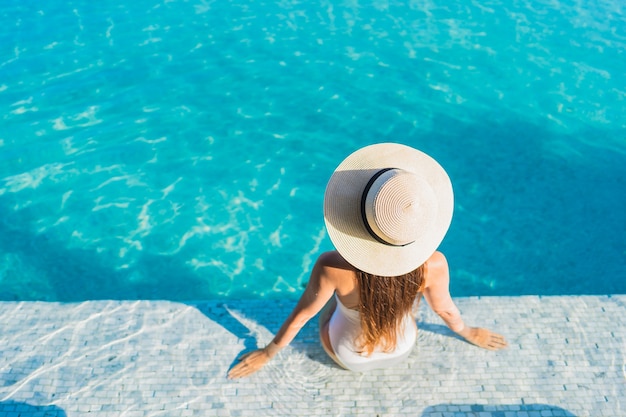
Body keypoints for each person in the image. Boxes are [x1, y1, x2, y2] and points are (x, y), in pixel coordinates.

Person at [228, 143, 507, 379]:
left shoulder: (331, 266)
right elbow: (446, 311)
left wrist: (267, 353)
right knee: (395, 299)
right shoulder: (434, 265)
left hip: (347, 355)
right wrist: (471, 333)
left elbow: (301, 317)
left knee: (324, 304)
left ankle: (324, 292)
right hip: (401, 348)